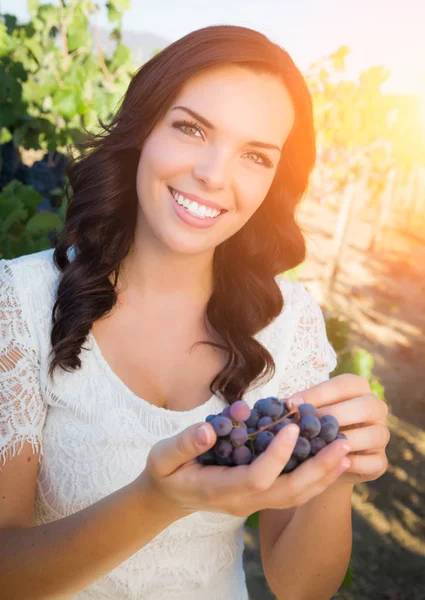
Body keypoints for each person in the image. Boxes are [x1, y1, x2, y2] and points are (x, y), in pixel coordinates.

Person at [0, 24, 389, 600]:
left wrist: (337, 469)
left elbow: (300, 587)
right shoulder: (19, 304)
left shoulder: (290, 323)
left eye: (255, 156)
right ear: (143, 128)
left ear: (274, 180)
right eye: (190, 128)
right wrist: (157, 502)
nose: (213, 175)